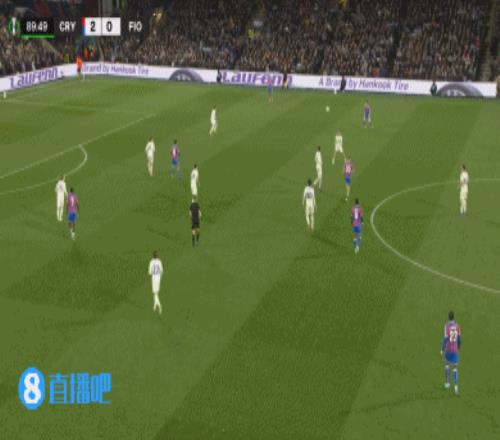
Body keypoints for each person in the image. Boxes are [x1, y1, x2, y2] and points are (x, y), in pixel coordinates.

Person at [441, 311, 461, 396]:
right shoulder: (457, 326)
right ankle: (456, 387)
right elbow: (459, 339)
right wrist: (458, 347)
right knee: (455, 368)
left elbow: (446, 339)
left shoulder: (447, 326)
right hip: (455, 350)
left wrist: (442, 349)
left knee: (447, 365)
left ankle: (447, 383)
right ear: (453, 317)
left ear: (448, 317)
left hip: (448, 350)